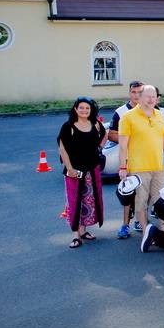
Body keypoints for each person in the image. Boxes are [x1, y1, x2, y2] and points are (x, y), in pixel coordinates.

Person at [118, 84, 164, 233]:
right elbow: (123, 145)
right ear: (139, 97)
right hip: (138, 168)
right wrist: (123, 167)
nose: (150, 99)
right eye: (147, 96)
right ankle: (145, 230)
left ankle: (163, 228)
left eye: (153, 96)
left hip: (158, 167)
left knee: (161, 200)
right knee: (141, 202)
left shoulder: (160, 115)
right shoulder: (128, 117)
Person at [58, 97, 106, 248]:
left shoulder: (96, 124)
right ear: (75, 109)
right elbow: (62, 149)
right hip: (75, 171)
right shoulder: (68, 127)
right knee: (74, 201)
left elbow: (104, 135)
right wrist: (70, 168)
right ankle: (75, 235)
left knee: (89, 200)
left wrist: (99, 148)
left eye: (87, 108)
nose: (84, 110)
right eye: (81, 108)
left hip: (92, 170)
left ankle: (83, 230)